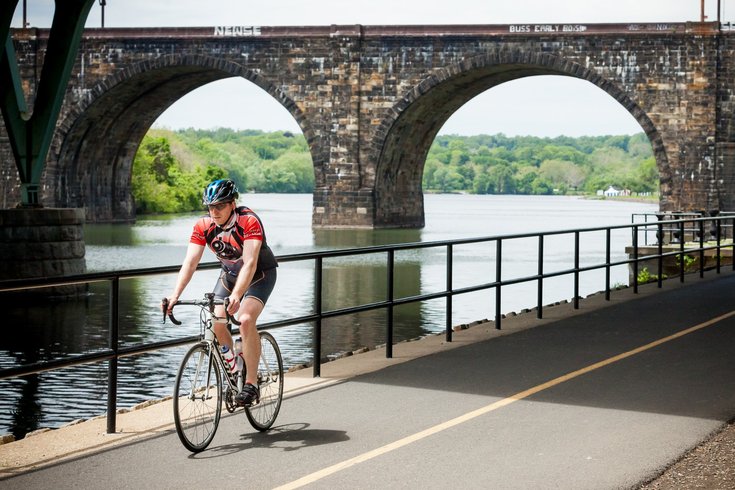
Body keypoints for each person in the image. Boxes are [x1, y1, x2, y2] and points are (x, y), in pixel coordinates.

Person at [164, 179, 278, 406]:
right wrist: (175, 294)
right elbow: (190, 262)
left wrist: (237, 295)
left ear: (232, 204)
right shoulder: (203, 226)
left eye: (220, 206)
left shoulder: (249, 221)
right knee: (217, 323)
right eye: (210, 207)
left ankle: (251, 384)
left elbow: (250, 263)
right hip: (229, 275)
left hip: (259, 274)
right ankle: (235, 371)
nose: (214, 212)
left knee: (245, 320)